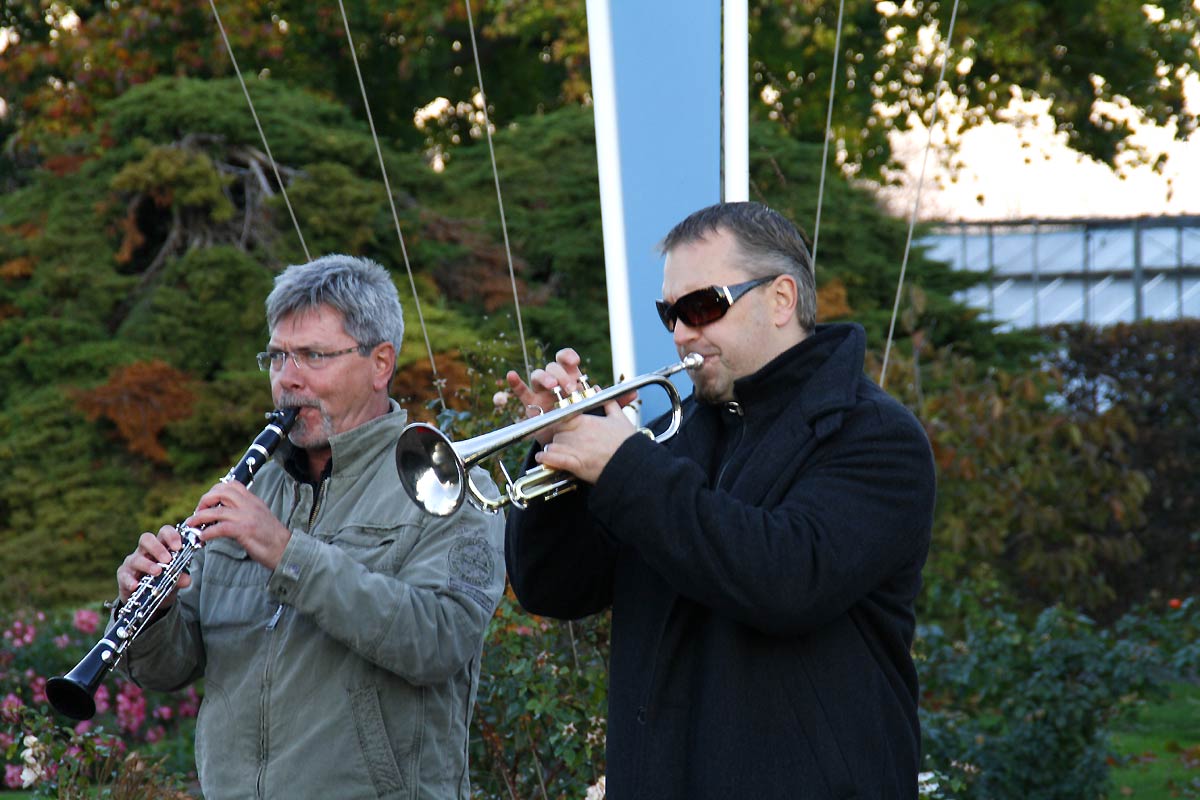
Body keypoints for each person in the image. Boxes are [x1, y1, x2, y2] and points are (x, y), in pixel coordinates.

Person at [504, 202, 936, 799]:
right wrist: (563, 458)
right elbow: (553, 588)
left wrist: (625, 466)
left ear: (782, 299)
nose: (682, 331)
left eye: (703, 306)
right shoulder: (676, 436)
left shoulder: (876, 437)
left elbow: (785, 577)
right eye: (670, 313)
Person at [116, 254, 506, 799]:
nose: (288, 380)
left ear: (380, 363)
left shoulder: (451, 486)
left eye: (313, 356)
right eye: (277, 358)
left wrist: (286, 551)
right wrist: (152, 613)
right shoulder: (253, 491)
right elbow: (171, 668)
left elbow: (438, 642)